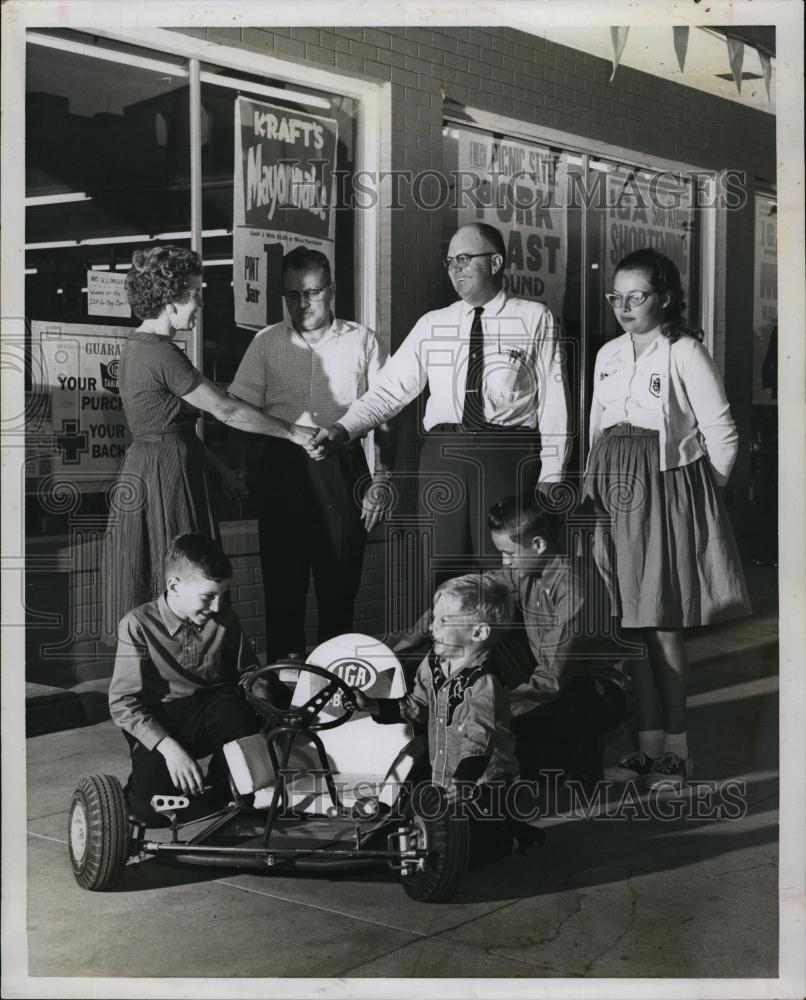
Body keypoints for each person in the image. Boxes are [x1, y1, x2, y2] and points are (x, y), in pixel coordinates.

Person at [310, 223, 571, 591]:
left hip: (507, 455)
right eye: (449, 262)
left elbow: (554, 406)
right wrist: (343, 429)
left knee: (506, 576)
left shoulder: (534, 318)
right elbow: (387, 393)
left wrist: (551, 476)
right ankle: (449, 647)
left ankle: (506, 650)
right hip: (444, 457)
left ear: (495, 262)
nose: (455, 270)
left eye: (464, 259)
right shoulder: (434, 325)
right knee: (444, 574)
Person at [583, 247, 751, 789]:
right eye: (617, 297)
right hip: (610, 491)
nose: (625, 307)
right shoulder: (607, 354)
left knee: (660, 622)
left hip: (663, 492)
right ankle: (645, 745)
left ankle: (677, 751)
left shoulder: (685, 351)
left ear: (666, 297)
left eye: (637, 296)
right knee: (627, 624)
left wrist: (694, 498)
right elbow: (596, 430)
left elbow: (722, 436)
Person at [103, 245, 317, 635]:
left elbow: (174, 427)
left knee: (166, 573)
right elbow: (227, 410)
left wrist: (221, 471)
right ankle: (189, 673)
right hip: (167, 477)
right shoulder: (162, 354)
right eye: (196, 293)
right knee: (186, 573)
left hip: (156, 466)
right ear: (170, 299)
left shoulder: (139, 347)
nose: (200, 303)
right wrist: (293, 432)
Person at [227, 246, 397, 661]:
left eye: (311, 293)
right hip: (283, 469)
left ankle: (331, 689)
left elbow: (389, 413)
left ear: (332, 290)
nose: (301, 304)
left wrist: (381, 478)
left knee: (338, 589)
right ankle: (283, 700)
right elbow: (237, 409)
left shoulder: (362, 340)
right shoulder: (266, 343)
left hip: (343, 469)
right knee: (282, 590)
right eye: (291, 295)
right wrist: (241, 469)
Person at [108, 533, 283, 825]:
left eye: (221, 596)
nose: (216, 607)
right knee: (147, 812)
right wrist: (169, 749)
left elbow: (248, 674)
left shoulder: (223, 617)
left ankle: (224, 788)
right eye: (208, 597)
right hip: (162, 722)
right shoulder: (137, 625)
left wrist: (268, 707)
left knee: (236, 710)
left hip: (213, 712)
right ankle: (208, 794)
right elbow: (123, 704)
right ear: (175, 586)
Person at [349, 574, 519, 861]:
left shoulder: (483, 684)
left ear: (478, 633)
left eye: (443, 621)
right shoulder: (433, 665)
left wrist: (464, 781)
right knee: (422, 832)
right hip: (443, 776)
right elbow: (417, 706)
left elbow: (479, 738)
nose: (431, 627)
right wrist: (373, 706)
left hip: (482, 785)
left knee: (464, 853)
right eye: (434, 618)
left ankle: (507, 837)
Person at [485, 495, 632, 785]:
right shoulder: (526, 571)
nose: (505, 562)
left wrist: (493, 710)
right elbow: (475, 592)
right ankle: (558, 755)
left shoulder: (573, 589)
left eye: (509, 553)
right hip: (560, 678)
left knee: (521, 748)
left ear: (538, 544)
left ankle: (578, 755)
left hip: (600, 689)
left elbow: (550, 681)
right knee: (480, 619)